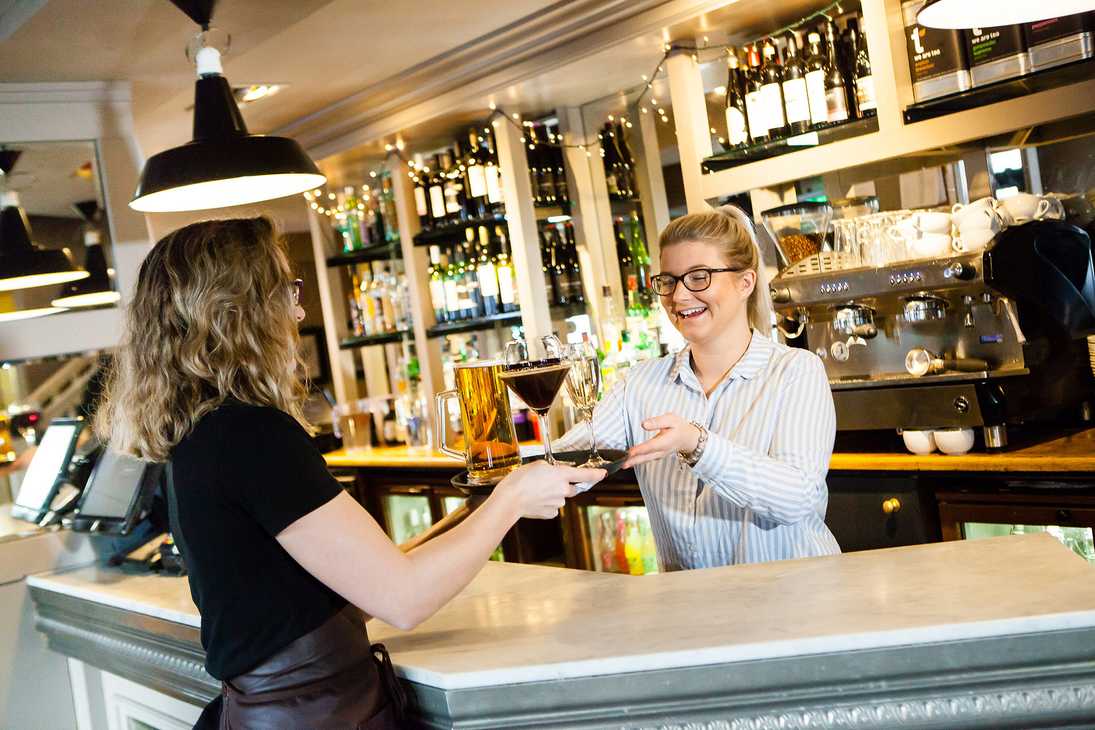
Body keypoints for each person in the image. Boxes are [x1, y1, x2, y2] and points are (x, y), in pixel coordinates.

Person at [95, 217, 604, 729]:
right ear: (238, 313)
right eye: (285, 291)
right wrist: (512, 498)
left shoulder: (204, 436)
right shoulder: (253, 435)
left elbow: (312, 599)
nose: (299, 310)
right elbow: (402, 599)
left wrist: (479, 512)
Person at [556, 205, 839, 570]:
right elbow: (576, 457)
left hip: (796, 605)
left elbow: (796, 496)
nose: (679, 297)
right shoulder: (640, 385)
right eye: (669, 281)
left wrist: (698, 444)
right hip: (693, 611)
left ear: (745, 282)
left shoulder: (795, 372)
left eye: (699, 277)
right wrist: (505, 468)